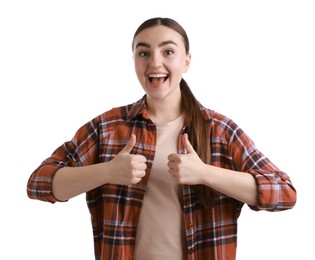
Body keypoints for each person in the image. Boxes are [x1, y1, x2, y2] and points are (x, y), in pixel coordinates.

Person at [27, 17, 297, 260]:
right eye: (144, 53)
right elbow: (39, 183)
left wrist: (205, 173)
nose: (155, 63)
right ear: (134, 60)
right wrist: (107, 171)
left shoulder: (220, 130)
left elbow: (284, 193)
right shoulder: (108, 127)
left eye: (168, 51)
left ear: (187, 60)